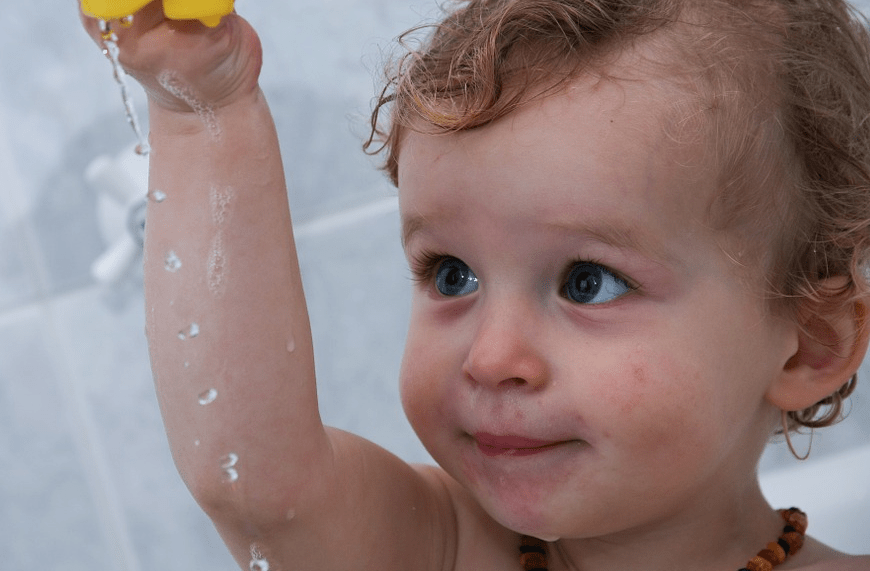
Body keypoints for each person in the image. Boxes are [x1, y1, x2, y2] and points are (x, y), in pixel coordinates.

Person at [80, 0, 870, 569]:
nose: (491, 357)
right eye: (450, 274)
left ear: (811, 342)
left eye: (587, 281)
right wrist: (202, 109)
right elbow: (259, 487)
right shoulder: (444, 549)